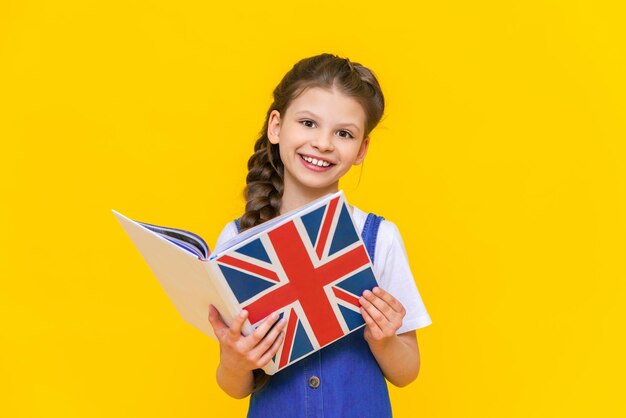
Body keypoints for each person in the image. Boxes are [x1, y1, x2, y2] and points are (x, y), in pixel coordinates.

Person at [207, 53, 432, 417]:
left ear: (361, 149)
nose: (324, 143)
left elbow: (407, 371)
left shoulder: (378, 238)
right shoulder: (237, 240)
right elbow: (234, 385)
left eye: (343, 133)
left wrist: (385, 339)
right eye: (308, 123)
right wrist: (235, 360)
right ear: (276, 126)